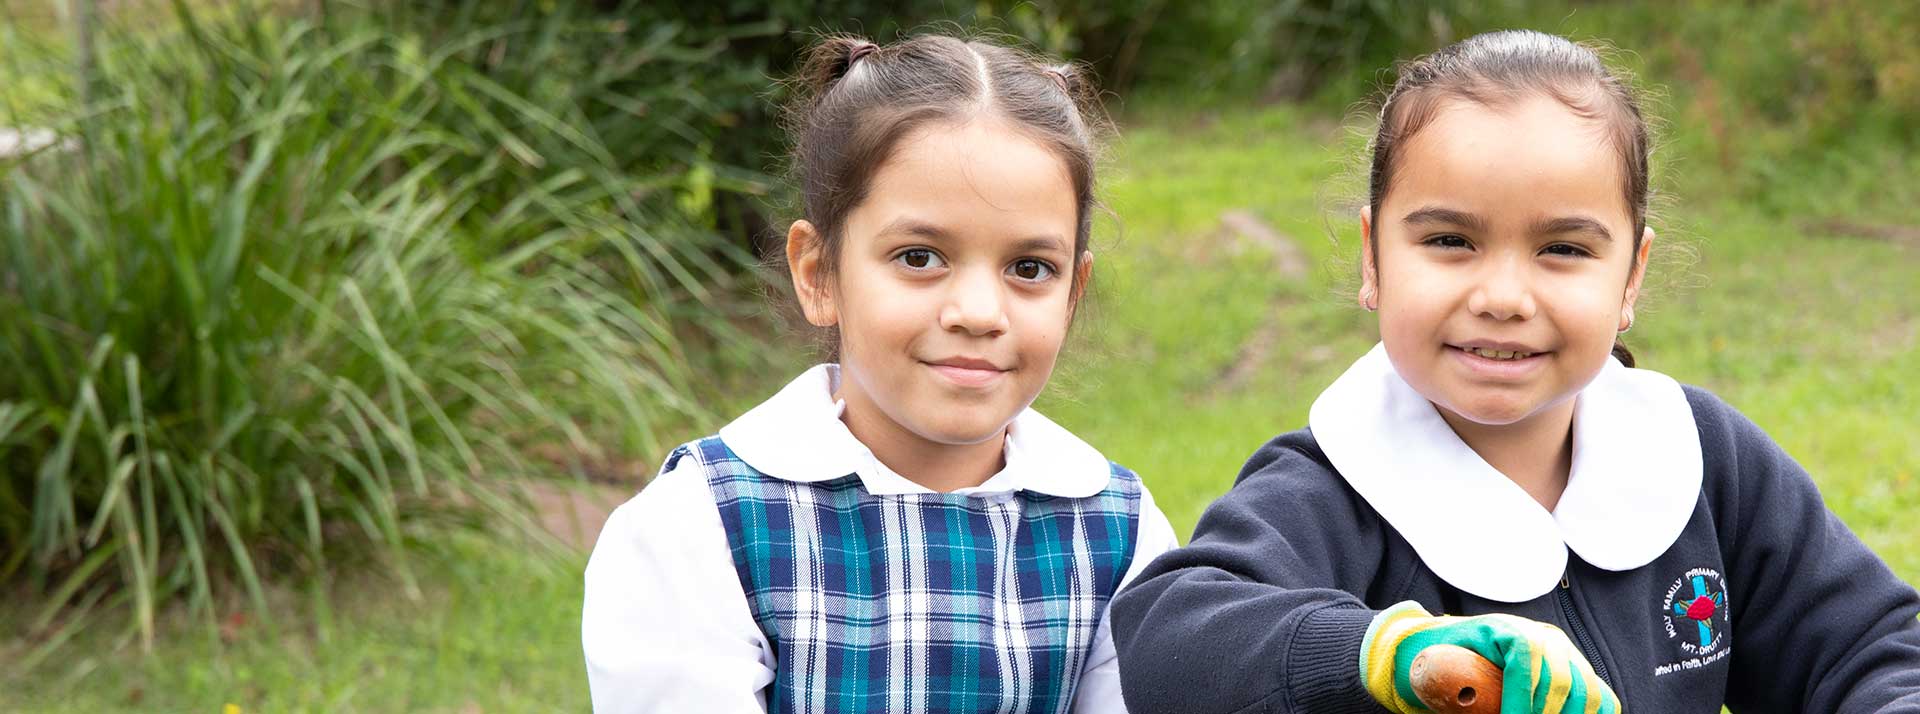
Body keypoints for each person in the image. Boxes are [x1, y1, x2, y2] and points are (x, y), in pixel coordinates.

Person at [1109, 29, 1920, 714]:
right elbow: (1167, 641)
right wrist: (1395, 654)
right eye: (1450, 241)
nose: (1502, 296)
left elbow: (1873, 649)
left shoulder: (1701, 459)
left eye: (1563, 249)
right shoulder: (1330, 489)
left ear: (1631, 276)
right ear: (1372, 258)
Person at [583, 32, 1177, 714]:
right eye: (920, 257)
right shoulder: (700, 531)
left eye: (1029, 269)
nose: (979, 312)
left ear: (1072, 293)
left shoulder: (1121, 533)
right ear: (819, 273)